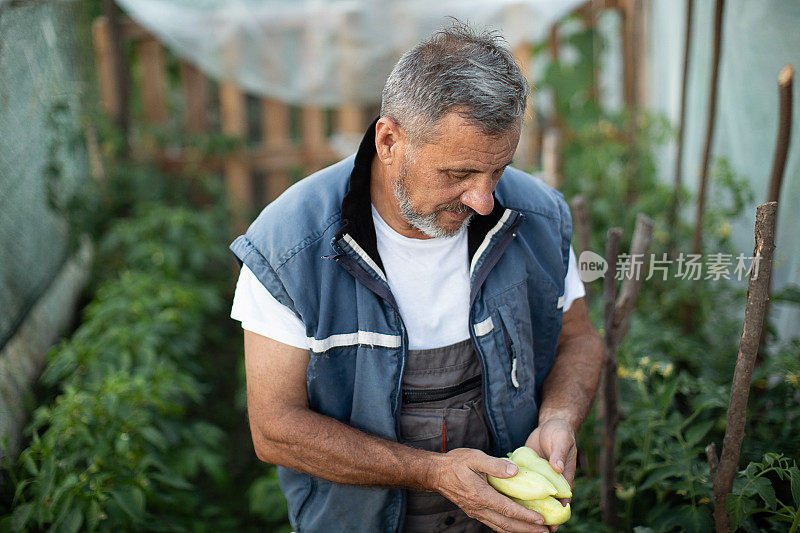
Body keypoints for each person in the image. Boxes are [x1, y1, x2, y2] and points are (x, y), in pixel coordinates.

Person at [230, 21, 603, 533]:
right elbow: (275, 428)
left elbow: (579, 339)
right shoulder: (289, 245)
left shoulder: (537, 217)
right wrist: (433, 473)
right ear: (389, 140)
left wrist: (559, 417)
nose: (483, 200)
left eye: (497, 170)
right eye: (457, 174)